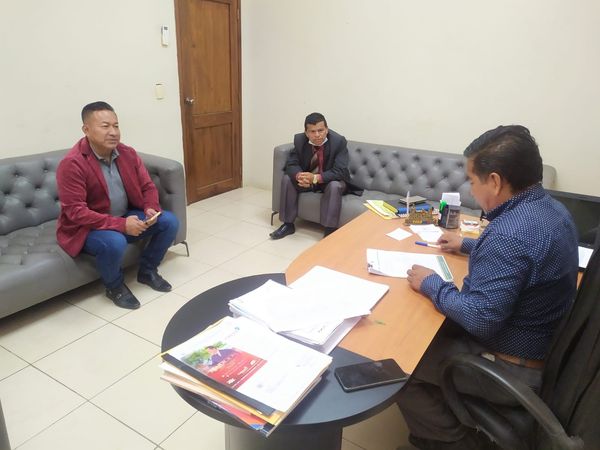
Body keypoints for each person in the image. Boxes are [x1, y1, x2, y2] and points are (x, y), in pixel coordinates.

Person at [396, 125, 579, 449]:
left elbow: (481, 319)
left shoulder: (509, 235)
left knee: (398, 361)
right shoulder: (552, 211)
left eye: (472, 180)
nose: (471, 190)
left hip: (511, 368)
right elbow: (528, 255)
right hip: (542, 349)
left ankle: (450, 441)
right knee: (427, 329)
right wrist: (467, 245)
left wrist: (432, 284)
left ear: (494, 181)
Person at [56, 101, 179, 310]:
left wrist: (150, 207)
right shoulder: (73, 163)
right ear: (86, 129)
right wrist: (122, 225)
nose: (113, 132)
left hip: (123, 215)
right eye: (105, 126)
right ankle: (114, 287)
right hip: (86, 227)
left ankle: (147, 271)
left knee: (169, 221)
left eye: (116, 125)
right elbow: (76, 212)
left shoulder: (127, 153)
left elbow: (147, 186)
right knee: (114, 241)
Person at [270, 112, 359, 239]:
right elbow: (292, 164)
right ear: (306, 133)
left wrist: (316, 178)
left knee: (334, 186)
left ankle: (329, 230)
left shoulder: (338, 141)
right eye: (312, 131)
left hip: (329, 181)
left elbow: (340, 171)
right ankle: (288, 225)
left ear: (326, 129)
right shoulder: (300, 140)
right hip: (309, 180)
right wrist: (300, 176)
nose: (317, 135)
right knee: (287, 179)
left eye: (320, 130)